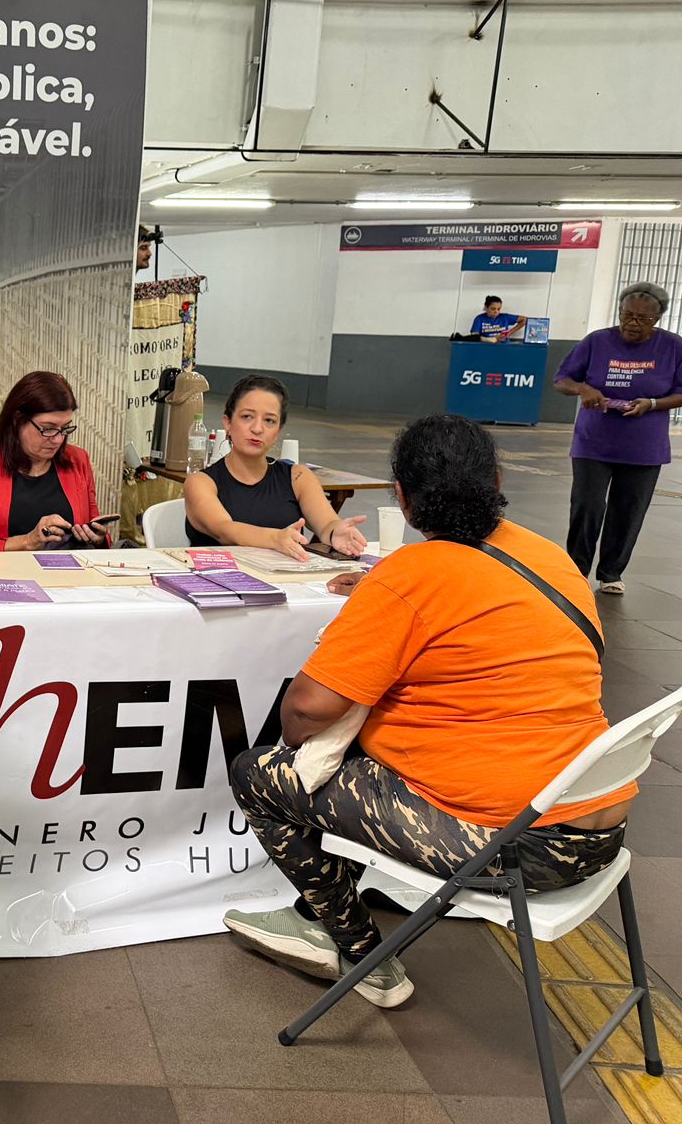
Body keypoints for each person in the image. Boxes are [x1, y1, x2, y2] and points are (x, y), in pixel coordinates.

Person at [222, 414, 633, 1009]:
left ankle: (361, 955)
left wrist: (388, 595)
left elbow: (305, 713)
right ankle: (313, 919)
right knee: (368, 755)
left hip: (514, 847)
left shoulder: (413, 573)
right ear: (496, 481)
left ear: (403, 498)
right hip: (598, 830)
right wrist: (386, 593)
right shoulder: (547, 555)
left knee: (259, 773)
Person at [553, 282, 682, 595]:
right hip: (593, 441)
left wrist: (652, 403)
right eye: (627, 315)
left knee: (629, 510)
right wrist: (583, 389)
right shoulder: (597, 341)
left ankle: (611, 572)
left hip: (644, 447)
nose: (632, 323)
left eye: (642, 318)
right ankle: (576, 570)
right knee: (587, 505)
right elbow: (562, 380)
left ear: (657, 319)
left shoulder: (673, 346)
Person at [183, 375, 367, 559]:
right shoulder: (200, 482)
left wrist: (336, 532)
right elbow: (225, 530)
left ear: (278, 431)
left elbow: (326, 523)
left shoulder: (298, 477)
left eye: (269, 421)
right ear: (228, 423)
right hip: (218, 575)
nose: (257, 428)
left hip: (285, 576)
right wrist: (276, 538)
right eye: (247, 417)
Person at [0, 371, 110, 552]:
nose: (58, 439)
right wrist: (27, 542)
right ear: (17, 420)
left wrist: (98, 539)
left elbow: (98, 534)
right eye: (48, 429)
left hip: (71, 569)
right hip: (6, 570)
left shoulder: (78, 460)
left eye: (65, 428)